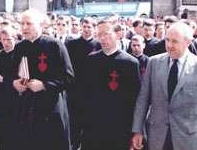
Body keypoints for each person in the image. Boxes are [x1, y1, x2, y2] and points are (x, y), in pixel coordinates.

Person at [10, 9, 75, 150]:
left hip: (50, 109)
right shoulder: (20, 47)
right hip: (25, 108)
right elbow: (10, 74)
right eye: (22, 23)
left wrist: (44, 85)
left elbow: (69, 77)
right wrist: (14, 83)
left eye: (29, 23)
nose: (24, 27)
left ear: (41, 24)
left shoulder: (55, 45)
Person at [131, 22, 197, 150]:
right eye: (167, 40)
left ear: (188, 42)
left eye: (175, 41)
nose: (169, 45)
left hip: (188, 137)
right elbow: (143, 99)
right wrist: (137, 130)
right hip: (157, 135)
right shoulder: (154, 62)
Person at [80, 17, 141, 150]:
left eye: (106, 34)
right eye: (99, 34)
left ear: (118, 35)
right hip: (93, 128)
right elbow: (83, 95)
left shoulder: (130, 63)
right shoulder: (91, 60)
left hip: (120, 128)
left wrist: (134, 131)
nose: (102, 38)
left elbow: (135, 100)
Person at [67, 17, 101, 150]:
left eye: (89, 27)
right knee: (75, 122)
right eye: (84, 26)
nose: (87, 29)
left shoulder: (98, 45)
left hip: (93, 90)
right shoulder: (72, 44)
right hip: (76, 89)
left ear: (94, 28)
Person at [0, 27, 19, 150]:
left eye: (8, 39)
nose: (5, 43)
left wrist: (4, 80)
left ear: (15, 38)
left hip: (17, 100)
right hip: (1, 100)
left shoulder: (20, 55)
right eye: (3, 40)